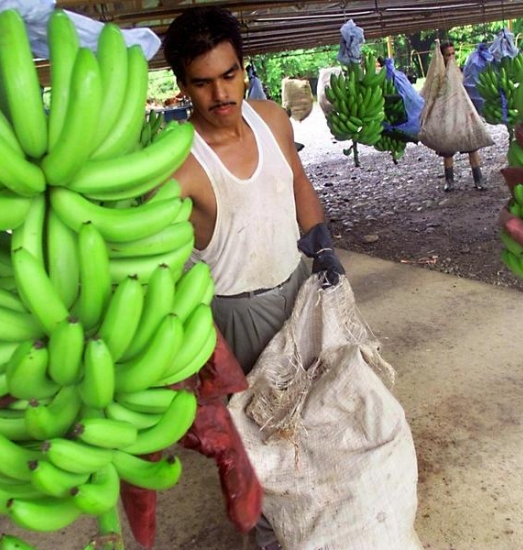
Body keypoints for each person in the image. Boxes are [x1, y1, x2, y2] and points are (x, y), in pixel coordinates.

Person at [163, 8, 344, 549]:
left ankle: (319, 523)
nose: (220, 94)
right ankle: (271, 541)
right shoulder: (178, 166)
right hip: (233, 315)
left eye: (229, 75)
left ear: (245, 69)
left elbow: (299, 185)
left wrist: (323, 246)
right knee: (255, 439)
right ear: (182, 88)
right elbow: (153, 261)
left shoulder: (272, 119)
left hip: (295, 286)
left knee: (311, 416)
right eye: (202, 82)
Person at [437, 41, 487, 192]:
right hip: (447, 114)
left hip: (464, 113)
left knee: (472, 147)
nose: (451, 57)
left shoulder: (459, 71)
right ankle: (449, 181)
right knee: (447, 149)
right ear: (442, 57)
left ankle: (478, 179)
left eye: (453, 54)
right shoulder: (439, 74)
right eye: (448, 55)